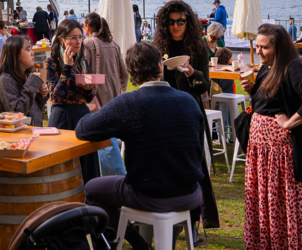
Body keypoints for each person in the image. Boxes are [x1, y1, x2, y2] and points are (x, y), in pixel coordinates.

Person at [76, 42, 205, 250]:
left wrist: (90, 102)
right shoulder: (188, 100)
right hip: (191, 192)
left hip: (149, 194)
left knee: (91, 188)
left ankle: (138, 244)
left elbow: (83, 129)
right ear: (159, 66)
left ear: (130, 71)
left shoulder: (128, 103)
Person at [240, 24, 302, 249]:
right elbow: (271, 101)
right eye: (257, 46)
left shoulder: (293, 67)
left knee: (280, 202)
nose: (259, 51)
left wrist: (288, 123)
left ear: (279, 47)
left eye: (264, 47)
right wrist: (253, 92)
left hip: (279, 155)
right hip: (261, 152)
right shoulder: (268, 66)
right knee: (263, 201)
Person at [152, 0, 218, 228]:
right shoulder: (158, 47)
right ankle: (166, 217)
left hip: (189, 113)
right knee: (164, 165)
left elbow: (204, 86)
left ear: (187, 22)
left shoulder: (198, 48)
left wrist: (191, 73)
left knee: (192, 168)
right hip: (162, 111)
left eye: (180, 21)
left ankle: (193, 223)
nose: (176, 26)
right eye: (171, 22)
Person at [46, 18, 100, 184]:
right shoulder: (52, 62)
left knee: (88, 167)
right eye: (73, 37)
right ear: (62, 39)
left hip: (82, 114)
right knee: (61, 169)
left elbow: (90, 98)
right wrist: (67, 68)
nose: (79, 41)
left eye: (80, 37)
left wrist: (88, 88)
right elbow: (55, 97)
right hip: (61, 117)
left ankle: (90, 204)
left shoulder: (82, 61)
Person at [82, 13, 128, 177]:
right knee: (109, 139)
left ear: (87, 27)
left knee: (104, 141)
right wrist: (121, 91)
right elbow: (125, 74)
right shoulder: (113, 44)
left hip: (96, 99)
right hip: (114, 99)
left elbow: (84, 74)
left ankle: (116, 180)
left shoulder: (87, 44)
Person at [0, 35, 48, 126]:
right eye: (28, 50)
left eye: (31, 49)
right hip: (13, 137)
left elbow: (33, 110)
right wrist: (31, 86)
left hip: (30, 134)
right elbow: (17, 114)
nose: (32, 53)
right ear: (15, 55)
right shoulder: (6, 80)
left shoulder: (26, 76)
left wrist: (40, 96)